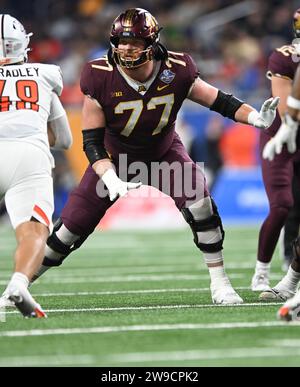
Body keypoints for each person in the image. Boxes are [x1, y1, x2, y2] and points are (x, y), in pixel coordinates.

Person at [30, 8, 279, 305]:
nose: (126, 48)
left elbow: (219, 101)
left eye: (134, 42)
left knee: (202, 208)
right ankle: (20, 285)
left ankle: (220, 284)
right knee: (65, 235)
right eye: (121, 41)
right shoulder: (98, 75)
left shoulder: (178, 68)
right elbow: (92, 143)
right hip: (116, 160)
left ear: (151, 43)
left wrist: (254, 118)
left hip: (163, 157)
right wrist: (110, 177)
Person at [0, 14, 72, 317]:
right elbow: (65, 140)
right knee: (33, 231)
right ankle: (18, 283)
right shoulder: (45, 73)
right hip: (29, 155)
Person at [250, 9, 300, 295]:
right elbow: (286, 110)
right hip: (282, 137)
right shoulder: (286, 57)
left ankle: (291, 279)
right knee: (282, 206)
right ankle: (262, 272)